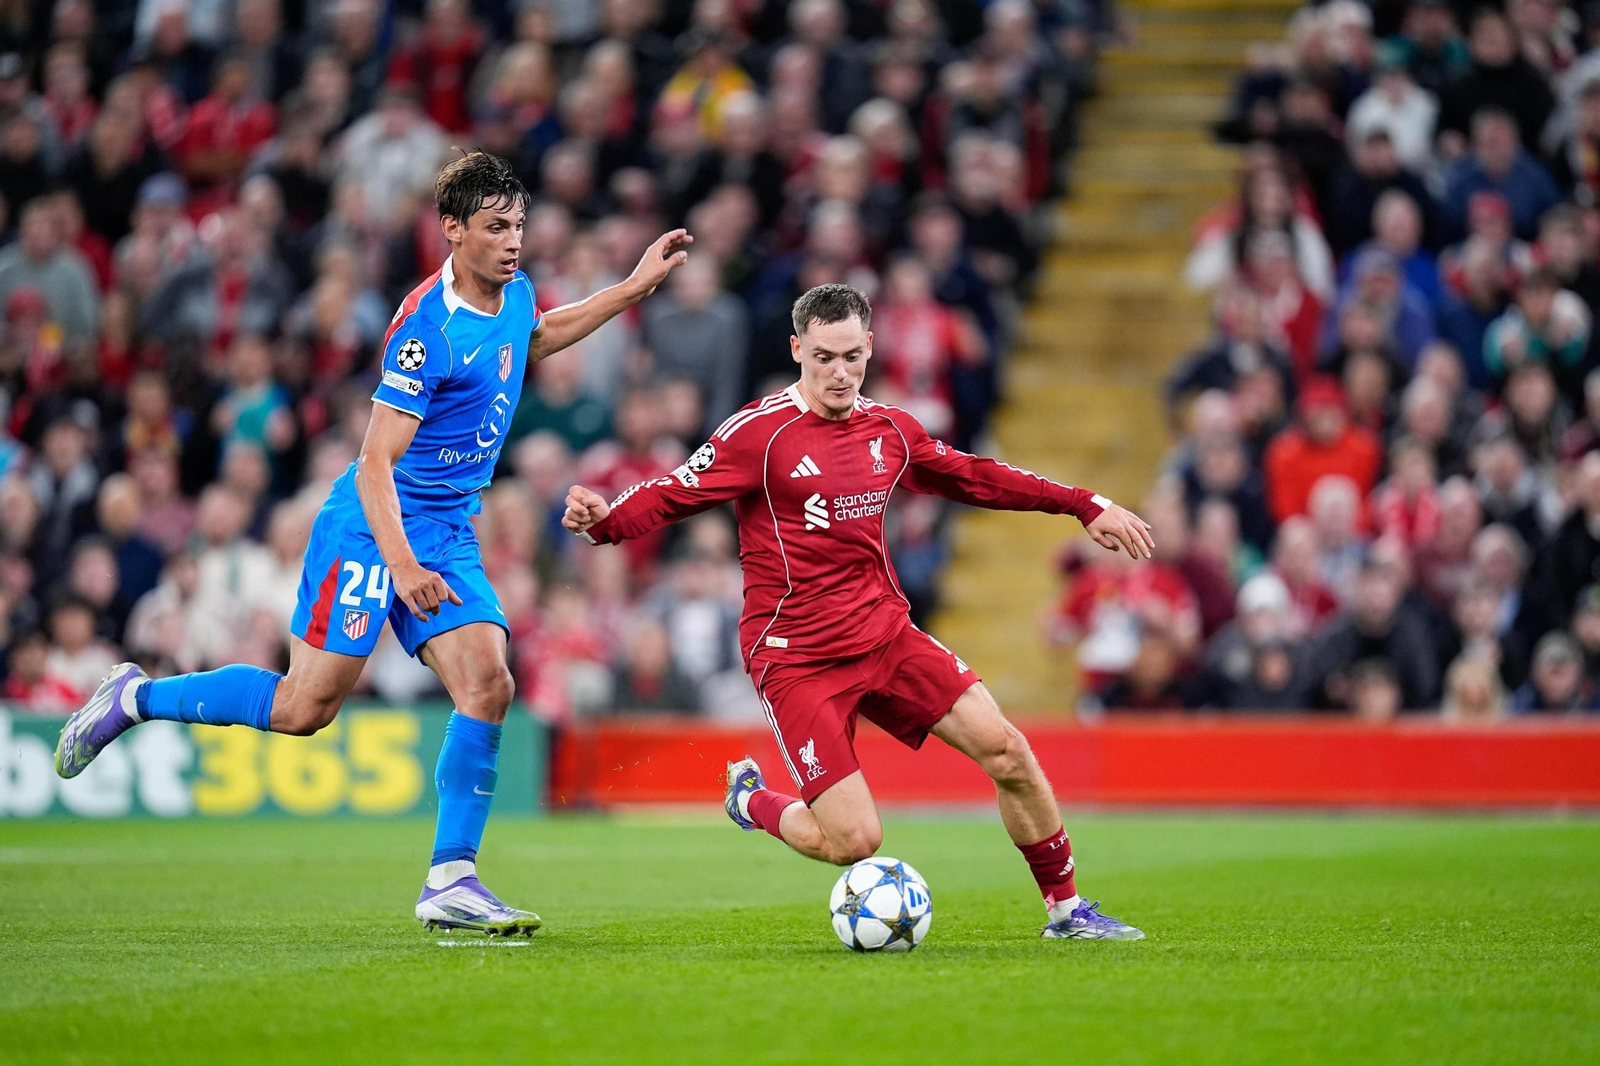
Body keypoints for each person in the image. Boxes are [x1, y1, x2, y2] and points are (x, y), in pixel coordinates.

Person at [52, 151, 693, 936]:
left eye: (519, 226)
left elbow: (536, 333)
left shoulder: (515, 292)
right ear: (453, 231)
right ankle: (135, 696)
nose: (513, 242)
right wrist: (401, 564)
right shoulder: (425, 328)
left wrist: (631, 287)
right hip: (372, 525)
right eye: (496, 228)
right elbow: (373, 462)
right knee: (302, 708)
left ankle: (451, 879)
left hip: (447, 528)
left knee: (488, 683)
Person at [561, 284, 1153, 940]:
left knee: (1008, 750)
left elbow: (976, 475)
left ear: (870, 348)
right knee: (854, 841)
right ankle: (751, 800)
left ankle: (1068, 912)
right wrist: (605, 523)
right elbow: (674, 491)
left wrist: (1082, 503)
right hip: (797, 656)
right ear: (797, 352)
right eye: (822, 358)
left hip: (883, 634)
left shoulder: (891, 431)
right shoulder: (759, 434)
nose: (839, 372)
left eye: (850, 356)